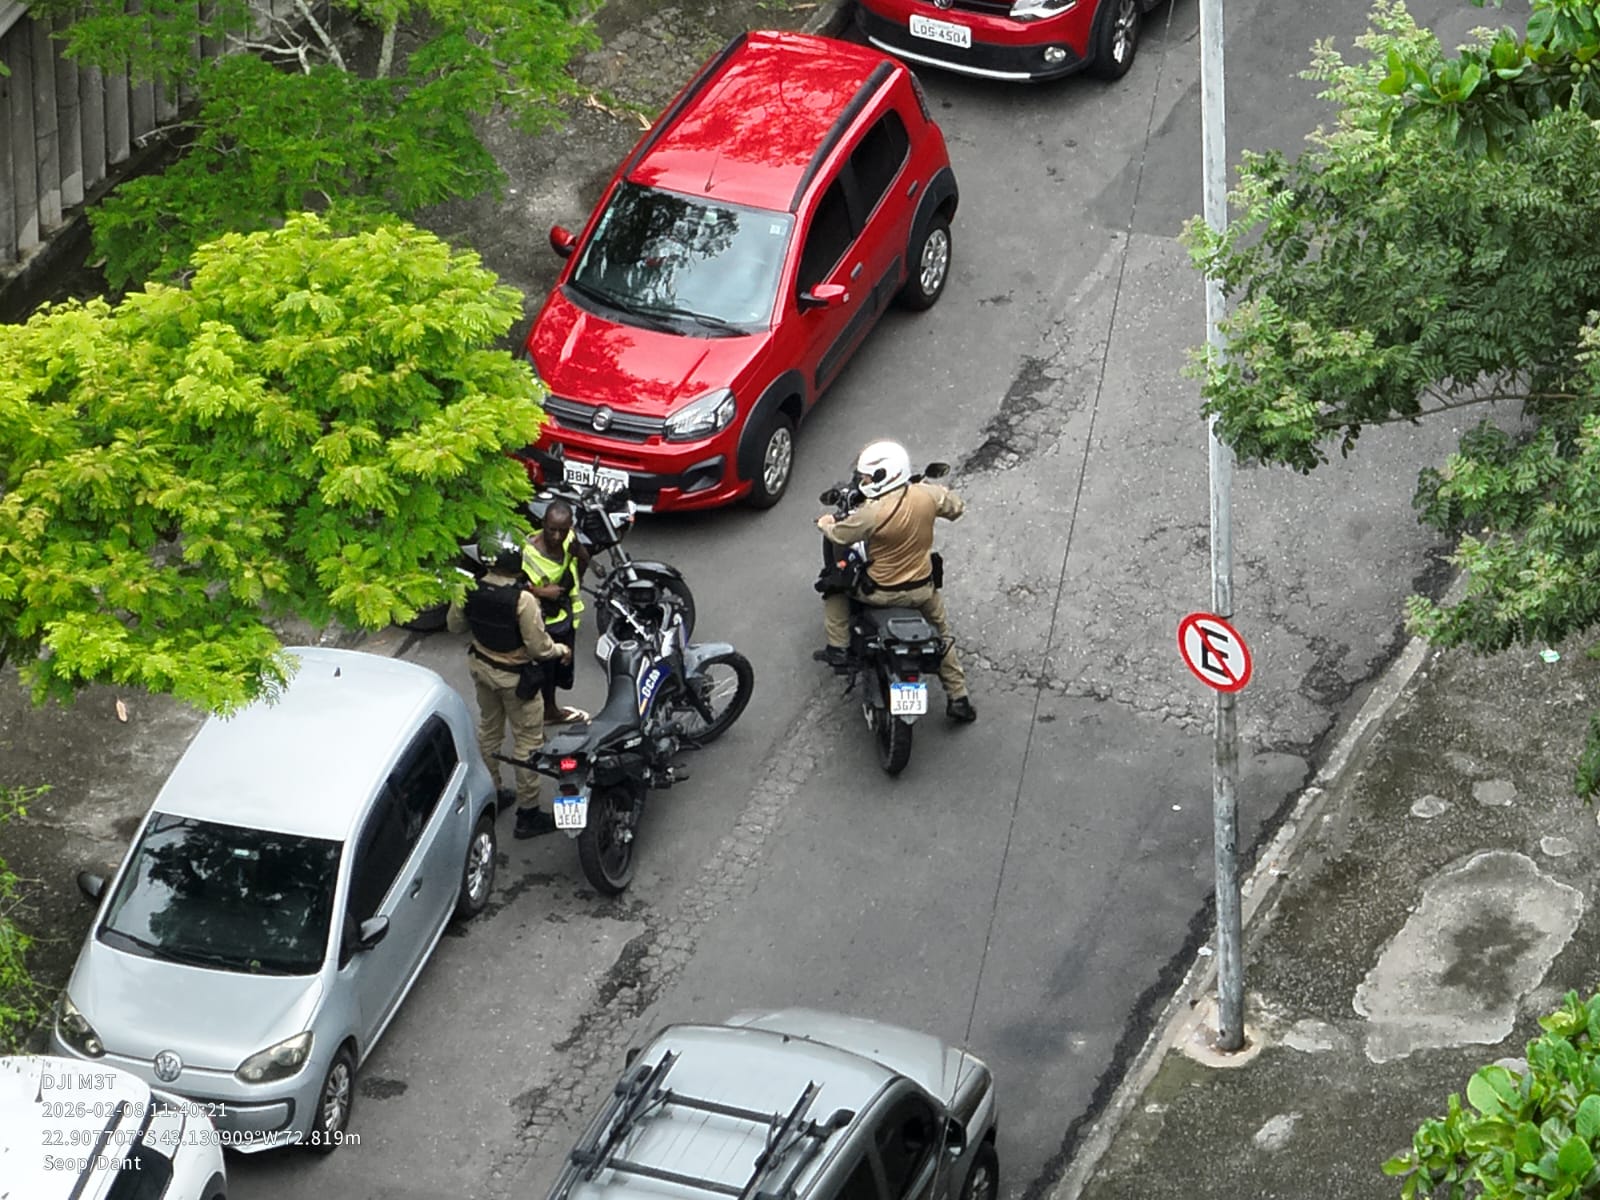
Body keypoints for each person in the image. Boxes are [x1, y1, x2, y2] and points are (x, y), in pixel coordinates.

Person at [814, 440, 977, 723]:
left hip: (878, 593)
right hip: (922, 591)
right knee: (941, 632)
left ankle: (839, 649)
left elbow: (841, 535)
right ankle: (958, 697)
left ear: (882, 476)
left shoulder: (872, 513)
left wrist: (825, 523)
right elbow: (956, 507)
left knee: (834, 589)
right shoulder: (927, 495)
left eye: (867, 476)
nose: (864, 481)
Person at [447, 530, 574, 839]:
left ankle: (495, 791)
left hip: (481, 668)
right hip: (517, 679)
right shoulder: (523, 600)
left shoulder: (469, 588)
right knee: (528, 742)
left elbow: (455, 626)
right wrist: (562, 650)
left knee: (490, 731)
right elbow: (539, 649)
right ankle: (528, 813)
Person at [523, 499, 591, 726]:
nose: (556, 536)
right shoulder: (529, 554)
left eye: (563, 531)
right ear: (543, 523)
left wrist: (578, 566)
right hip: (543, 623)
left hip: (565, 617)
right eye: (552, 530)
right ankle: (547, 711)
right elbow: (517, 591)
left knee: (560, 669)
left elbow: (583, 559)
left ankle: (549, 707)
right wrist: (543, 592)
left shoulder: (570, 539)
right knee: (544, 671)